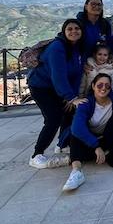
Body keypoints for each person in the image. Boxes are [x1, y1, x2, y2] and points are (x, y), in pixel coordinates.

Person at [28, 19, 86, 169]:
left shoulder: (77, 48)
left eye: (77, 28)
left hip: (56, 87)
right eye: (70, 29)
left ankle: (62, 144)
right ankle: (37, 154)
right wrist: (70, 97)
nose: (74, 31)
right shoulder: (57, 47)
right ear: (64, 32)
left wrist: (71, 97)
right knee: (53, 118)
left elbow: (77, 73)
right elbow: (58, 75)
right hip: (41, 86)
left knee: (68, 112)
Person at [62, 74, 113, 191]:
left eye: (107, 85)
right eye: (99, 85)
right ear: (93, 86)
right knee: (75, 136)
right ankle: (76, 172)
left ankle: (73, 157)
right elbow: (77, 128)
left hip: (105, 137)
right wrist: (95, 146)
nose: (103, 88)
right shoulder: (86, 103)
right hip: (89, 138)